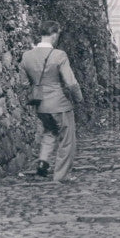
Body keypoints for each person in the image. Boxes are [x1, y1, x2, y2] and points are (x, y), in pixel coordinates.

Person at [21, 21, 84, 182]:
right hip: (59, 104)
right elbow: (70, 82)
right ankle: (61, 176)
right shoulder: (59, 55)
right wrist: (79, 99)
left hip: (40, 105)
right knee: (67, 140)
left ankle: (43, 164)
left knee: (50, 132)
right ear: (54, 34)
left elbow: (23, 83)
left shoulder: (27, 56)